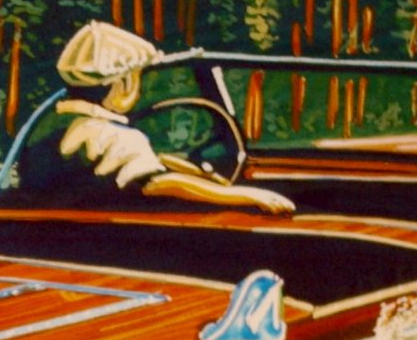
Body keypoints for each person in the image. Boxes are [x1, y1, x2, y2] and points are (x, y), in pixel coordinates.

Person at [20, 23, 294, 212]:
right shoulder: (117, 136)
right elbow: (155, 184)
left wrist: (173, 164)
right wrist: (241, 195)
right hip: (117, 240)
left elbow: (106, 174)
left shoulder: (45, 126)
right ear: (124, 84)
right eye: (138, 78)